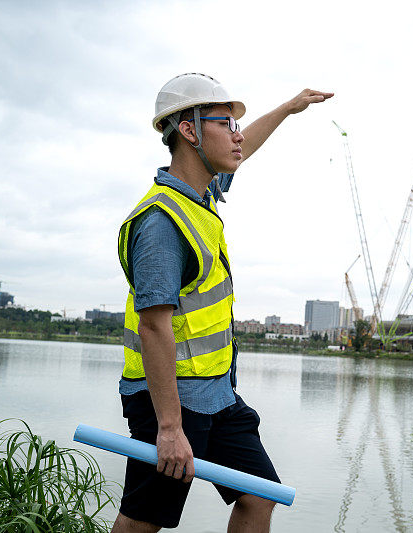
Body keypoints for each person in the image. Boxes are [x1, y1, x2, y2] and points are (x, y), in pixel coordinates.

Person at [112, 73, 333, 533]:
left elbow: (240, 150)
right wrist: (170, 429)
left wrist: (288, 109)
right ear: (189, 132)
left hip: (216, 395)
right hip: (171, 403)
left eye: (236, 125)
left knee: (261, 494)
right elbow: (154, 328)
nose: (237, 136)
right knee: (142, 522)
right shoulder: (160, 221)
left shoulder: (201, 196)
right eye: (225, 124)